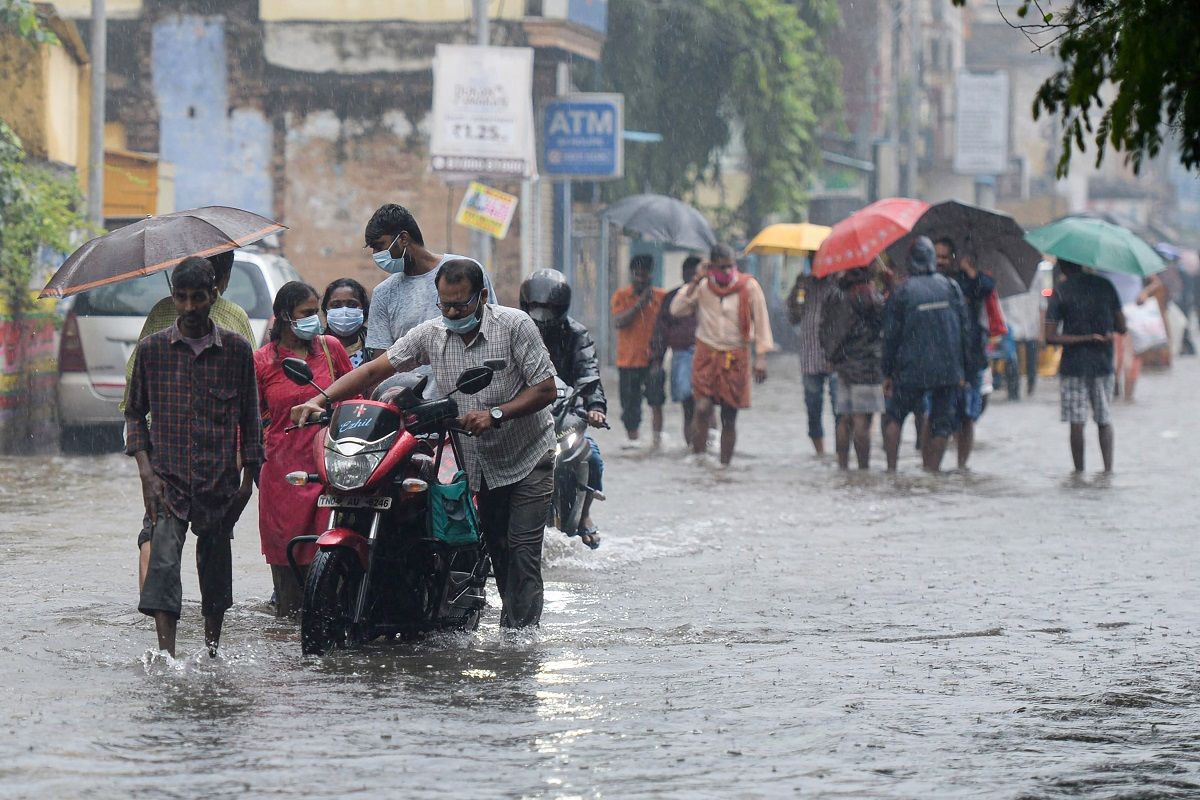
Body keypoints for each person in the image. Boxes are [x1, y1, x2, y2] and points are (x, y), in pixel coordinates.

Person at [291, 259, 556, 629]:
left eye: (460, 305)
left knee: (523, 553)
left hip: (528, 458)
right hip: (478, 463)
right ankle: (500, 622)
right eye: (444, 304)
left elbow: (545, 389)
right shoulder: (431, 333)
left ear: (481, 297)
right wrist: (320, 401)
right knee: (500, 551)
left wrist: (495, 415)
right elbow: (374, 370)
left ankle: (519, 646)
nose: (451, 312)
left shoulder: (515, 326)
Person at [125, 257, 262, 657]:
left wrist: (248, 485)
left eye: (197, 298)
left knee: (215, 572)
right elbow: (135, 413)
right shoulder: (152, 350)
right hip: (166, 482)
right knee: (163, 567)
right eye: (181, 298)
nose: (189, 307)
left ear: (213, 296)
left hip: (219, 480)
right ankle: (166, 656)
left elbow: (250, 418)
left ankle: (212, 651)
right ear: (173, 297)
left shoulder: (236, 350)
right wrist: (145, 474)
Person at [254, 281, 355, 616]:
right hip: (283, 474)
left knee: (332, 555)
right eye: (307, 313)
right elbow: (248, 417)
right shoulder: (262, 361)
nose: (315, 320)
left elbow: (356, 397)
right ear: (285, 316)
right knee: (286, 566)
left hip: (330, 467)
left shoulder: (330, 348)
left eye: (316, 312)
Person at [520, 268, 608, 549]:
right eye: (537, 308)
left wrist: (595, 407)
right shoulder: (517, 329)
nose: (542, 315)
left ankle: (584, 515)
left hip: (565, 413)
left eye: (549, 309)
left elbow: (588, 371)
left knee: (592, 456)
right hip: (523, 411)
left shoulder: (576, 334)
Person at [670, 243, 773, 466]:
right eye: (722, 267)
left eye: (730, 267)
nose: (727, 272)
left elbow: (762, 322)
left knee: (729, 416)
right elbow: (676, 309)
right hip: (706, 354)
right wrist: (696, 280)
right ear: (711, 266)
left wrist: (761, 358)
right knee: (702, 408)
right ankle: (699, 459)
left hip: (736, 357)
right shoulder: (703, 286)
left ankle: (724, 467)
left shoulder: (749, 286)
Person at [362, 203, 495, 369]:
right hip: (407, 393)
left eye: (379, 246)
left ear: (403, 239)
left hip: (467, 389)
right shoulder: (384, 293)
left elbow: (493, 331)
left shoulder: (467, 271)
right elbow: (378, 365)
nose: (376, 255)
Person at [881, 237, 972, 473]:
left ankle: (891, 471)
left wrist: (887, 372)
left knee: (895, 417)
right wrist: (965, 370)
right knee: (942, 424)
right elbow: (965, 331)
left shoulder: (903, 292)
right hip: (947, 370)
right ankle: (932, 472)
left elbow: (891, 335)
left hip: (910, 369)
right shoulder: (951, 287)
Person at [1044, 259, 1127, 472]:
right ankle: (1108, 471)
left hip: (1074, 366)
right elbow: (1122, 326)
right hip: (1102, 363)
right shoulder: (1105, 286)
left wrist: (1084, 338)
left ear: (1062, 266)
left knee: (1076, 422)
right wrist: (1097, 332)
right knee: (1104, 419)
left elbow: (1050, 337)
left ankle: (1079, 473)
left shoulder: (1060, 291)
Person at [935, 238, 996, 469]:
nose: (940, 261)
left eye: (944, 256)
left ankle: (962, 465)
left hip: (970, 357)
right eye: (936, 256)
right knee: (936, 415)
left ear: (952, 258)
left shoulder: (966, 280)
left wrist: (972, 272)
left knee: (967, 415)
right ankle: (932, 466)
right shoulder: (931, 282)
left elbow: (988, 287)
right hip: (939, 358)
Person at [820, 266, 885, 470]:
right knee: (862, 420)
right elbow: (884, 320)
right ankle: (863, 469)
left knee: (845, 418)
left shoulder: (835, 296)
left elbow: (826, 329)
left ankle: (843, 467)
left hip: (844, 364)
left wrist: (832, 356)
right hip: (867, 365)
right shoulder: (869, 296)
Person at [611, 255, 666, 448]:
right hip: (628, 361)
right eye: (637, 275)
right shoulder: (621, 295)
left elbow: (668, 326)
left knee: (656, 401)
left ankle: (656, 442)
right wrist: (639, 304)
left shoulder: (661, 297)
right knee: (630, 408)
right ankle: (633, 443)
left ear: (652, 275)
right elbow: (618, 322)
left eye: (645, 275)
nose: (641, 279)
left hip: (653, 361)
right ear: (632, 275)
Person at [787, 269, 839, 456]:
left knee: (839, 409)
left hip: (835, 357)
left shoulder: (839, 284)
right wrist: (797, 291)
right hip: (810, 356)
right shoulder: (803, 285)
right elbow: (793, 317)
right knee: (813, 407)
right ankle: (821, 454)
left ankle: (841, 453)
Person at [651, 255, 701, 448]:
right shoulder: (673, 298)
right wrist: (657, 360)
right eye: (687, 273)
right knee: (688, 405)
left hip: (707, 355)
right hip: (682, 355)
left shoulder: (711, 295)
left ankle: (704, 448)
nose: (691, 278)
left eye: (695, 274)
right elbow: (660, 331)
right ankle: (693, 449)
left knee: (706, 405)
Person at [1000, 280, 1044, 398]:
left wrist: (1041, 330)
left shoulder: (1037, 275)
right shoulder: (1006, 277)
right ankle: (1013, 390)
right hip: (1011, 324)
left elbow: (1042, 304)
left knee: (1031, 360)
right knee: (1012, 359)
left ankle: (1030, 384)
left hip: (1031, 325)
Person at [321, 278, 370, 367]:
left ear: (364, 309)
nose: (344, 311)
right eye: (336, 305)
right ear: (326, 310)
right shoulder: (314, 347)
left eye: (352, 305)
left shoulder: (375, 348)